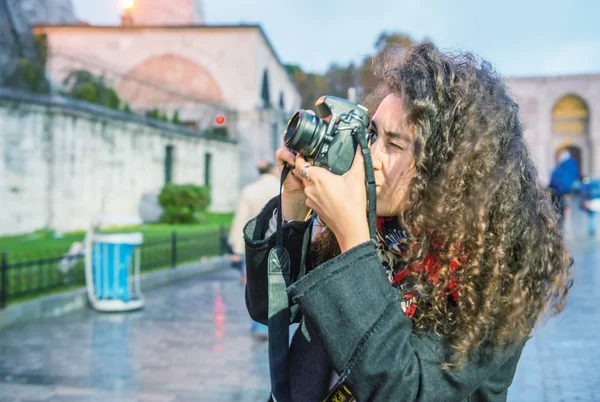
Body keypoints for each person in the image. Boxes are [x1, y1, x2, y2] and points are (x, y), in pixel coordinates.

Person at [242, 42, 573, 401]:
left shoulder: (495, 277)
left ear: (448, 170)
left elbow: (405, 389)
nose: (371, 156)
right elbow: (268, 307)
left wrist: (355, 240)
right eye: (372, 135)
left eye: (394, 145)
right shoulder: (373, 224)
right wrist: (293, 207)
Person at [228, 160, 280, 340]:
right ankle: (274, 323)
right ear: (272, 170)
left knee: (257, 284)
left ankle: (260, 326)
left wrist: (235, 247)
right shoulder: (282, 186)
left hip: (255, 242)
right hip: (279, 239)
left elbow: (241, 219)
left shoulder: (249, 190)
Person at [548, 148, 579, 228]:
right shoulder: (571, 164)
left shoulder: (560, 168)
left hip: (557, 191)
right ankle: (564, 224)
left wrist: (549, 188)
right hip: (566, 191)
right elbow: (574, 176)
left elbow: (553, 180)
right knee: (565, 208)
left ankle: (559, 224)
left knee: (557, 208)